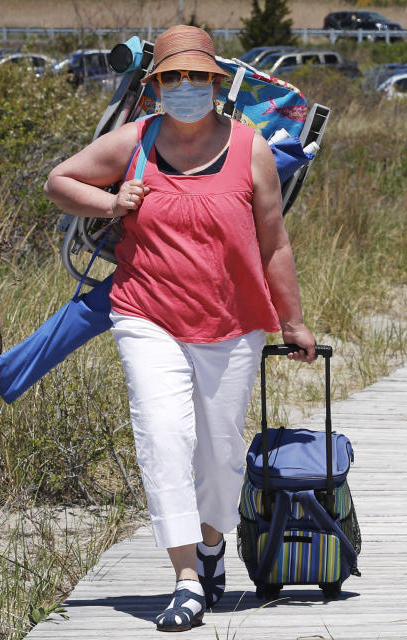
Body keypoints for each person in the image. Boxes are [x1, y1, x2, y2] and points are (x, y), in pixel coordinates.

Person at [43, 25, 317, 632]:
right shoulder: (135, 141)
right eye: (172, 77)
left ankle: (214, 544)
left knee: (219, 457)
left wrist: (292, 321)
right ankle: (187, 578)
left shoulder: (251, 149)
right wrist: (114, 203)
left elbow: (273, 241)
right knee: (165, 439)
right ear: (156, 84)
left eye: (197, 76)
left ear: (216, 84)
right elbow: (60, 182)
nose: (185, 86)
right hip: (147, 316)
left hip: (233, 320)